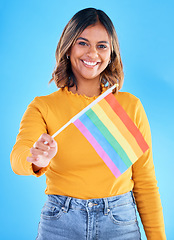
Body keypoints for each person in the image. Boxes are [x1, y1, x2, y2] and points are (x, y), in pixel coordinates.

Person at [10, 8, 166, 240]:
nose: (92, 53)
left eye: (102, 46)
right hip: (60, 222)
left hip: (119, 222)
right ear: (68, 47)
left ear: (111, 53)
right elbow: (18, 157)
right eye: (83, 43)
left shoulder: (129, 106)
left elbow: (145, 182)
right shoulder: (43, 106)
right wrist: (36, 159)